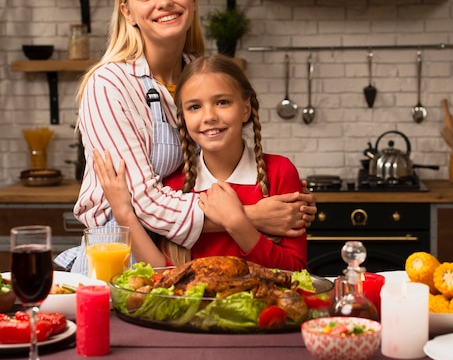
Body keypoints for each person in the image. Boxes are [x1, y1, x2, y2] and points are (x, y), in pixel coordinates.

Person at [57, 0, 315, 273]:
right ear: (128, 12)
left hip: (180, 253)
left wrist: (290, 202)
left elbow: (221, 158)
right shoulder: (109, 84)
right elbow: (143, 202)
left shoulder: (198, 74)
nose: (163, 1)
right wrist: (251, 216)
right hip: (119, 254)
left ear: (192, 0)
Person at [95, 55, 307, 270]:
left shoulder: (279, 171)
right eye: (194, 107)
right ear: (183, 118)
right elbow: (164, 273)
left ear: (245, 109)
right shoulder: (174, 186)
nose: (209, 116)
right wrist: (123, 212)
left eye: (222, 102)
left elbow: (295, 271)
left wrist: (237, 223)